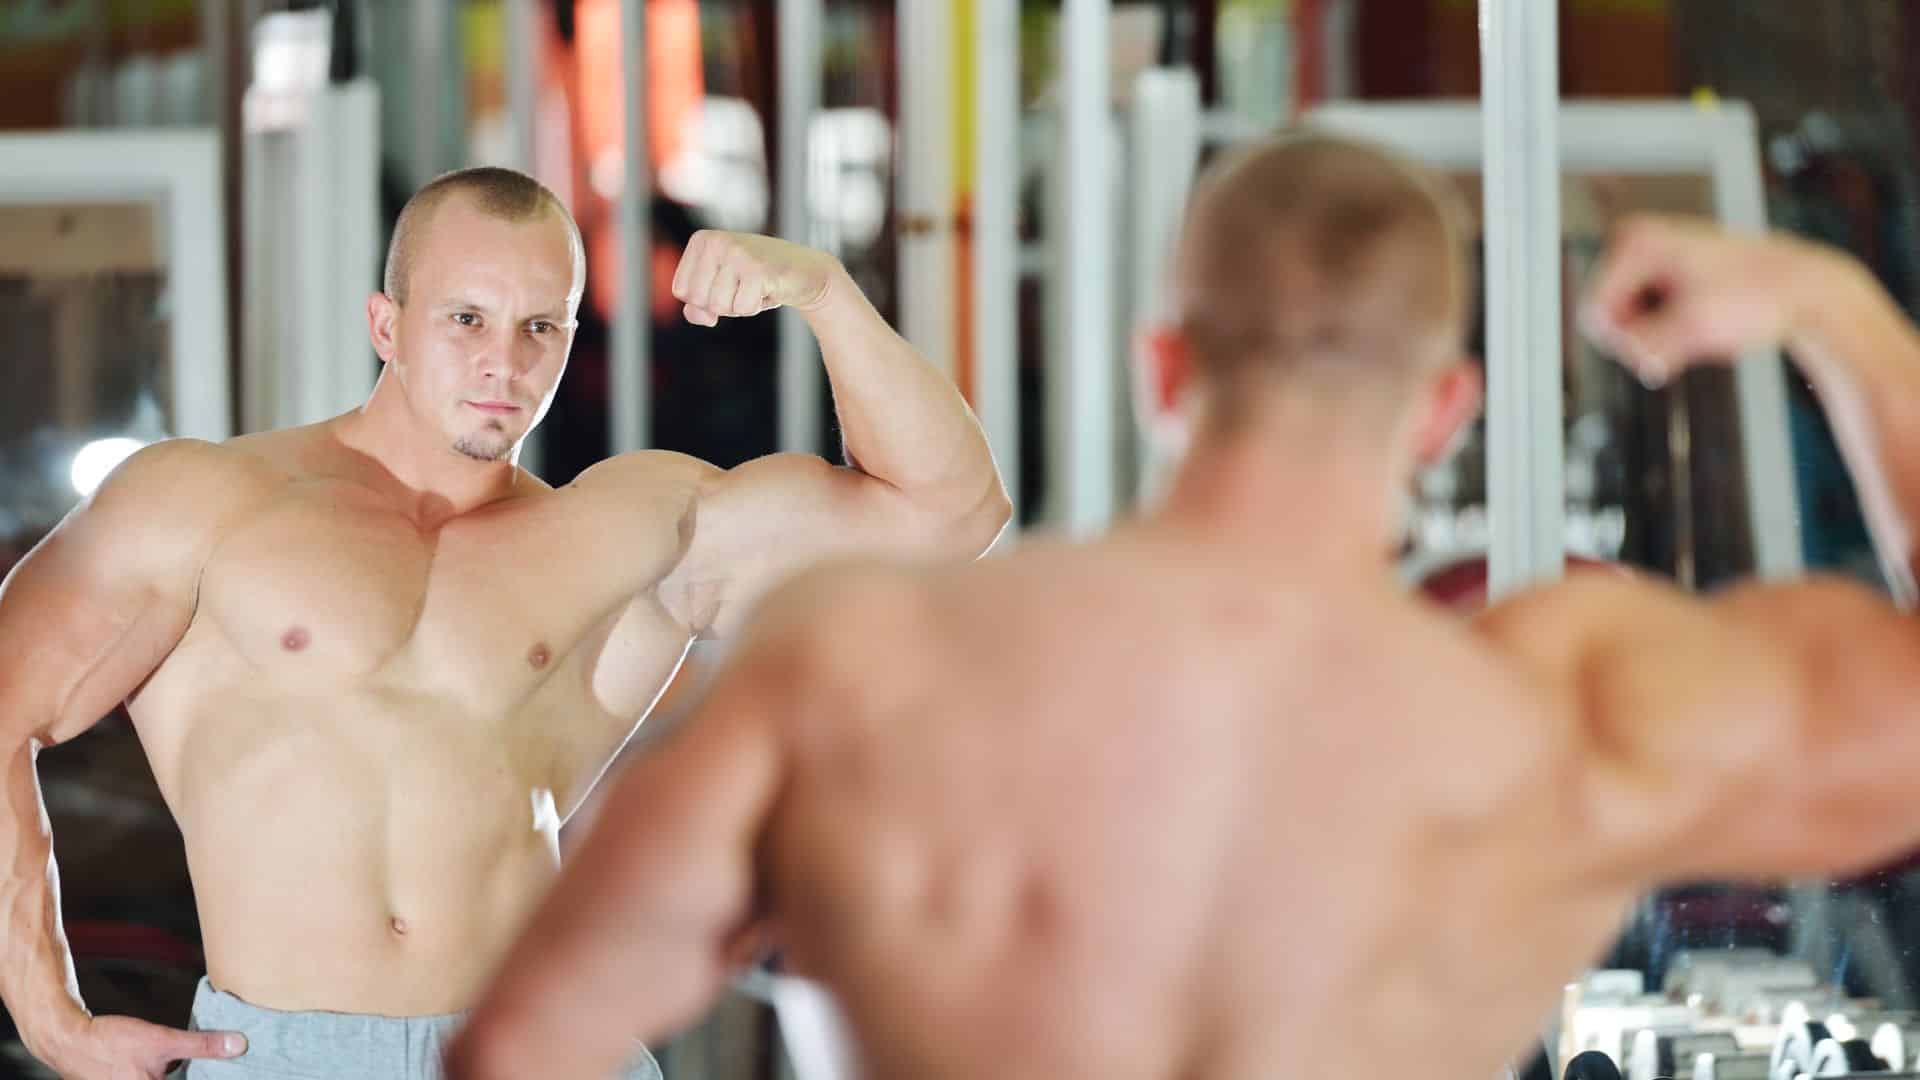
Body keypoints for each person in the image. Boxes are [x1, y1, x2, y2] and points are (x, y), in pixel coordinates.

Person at [446, 133, 1920, 1080]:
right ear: (1445, 410)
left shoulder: (867, 669)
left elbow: (523, 1039)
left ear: (1162, 370)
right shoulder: (1561, 706)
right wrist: (1838, 312)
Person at [0, 166, 1009, 1080]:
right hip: (288, 1051)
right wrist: (47, 1013)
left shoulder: (621, 530)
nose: (505, 363)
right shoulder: (204, 503)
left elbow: (952, 513)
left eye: (543, 327)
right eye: (467, 320)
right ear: (385, 326)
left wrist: (822, 290)